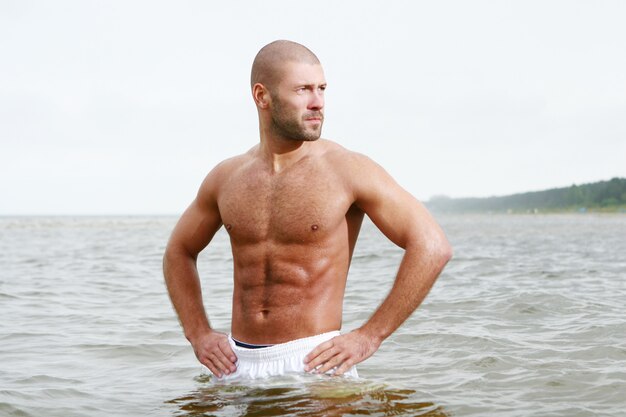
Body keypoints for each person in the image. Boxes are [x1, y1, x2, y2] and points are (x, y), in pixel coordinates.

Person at [163, 40, 452, 381]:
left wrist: (370, 335)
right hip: (234, 365)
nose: (318, 103)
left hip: (315, 363)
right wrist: (198, 333)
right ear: (262, 96)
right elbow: (178, 252)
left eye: (322, 89)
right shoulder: (227, 177)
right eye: (303, 89)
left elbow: (433, 246)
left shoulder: (347, 169)